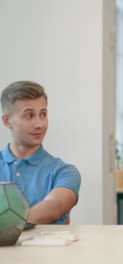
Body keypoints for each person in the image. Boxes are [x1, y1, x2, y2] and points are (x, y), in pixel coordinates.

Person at [0, 81, 81, 224]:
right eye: (29, 115)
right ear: (7, 121)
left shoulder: (64, 172)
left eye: (43, 114)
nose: (40, 124)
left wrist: (9, 224)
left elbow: (54, 207)